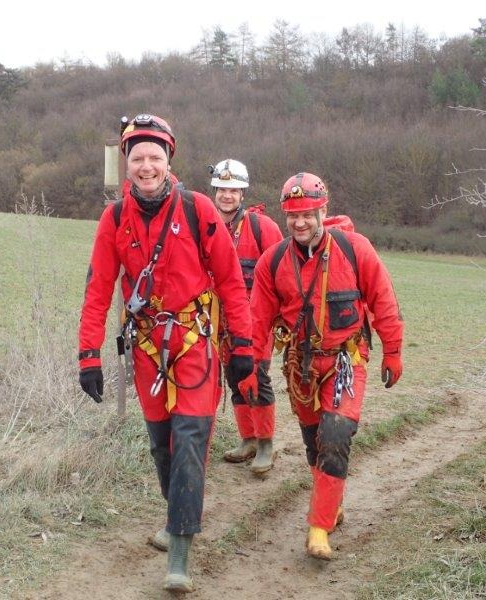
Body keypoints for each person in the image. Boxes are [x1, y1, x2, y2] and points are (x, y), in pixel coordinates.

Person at [77, 115, 255, 593]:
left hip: (195, 345)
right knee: (162, 445)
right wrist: (88, 354)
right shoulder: (114, 219)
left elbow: (232, 283)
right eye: (138, 158)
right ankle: (177, 514)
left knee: (190, 443)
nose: (147, 166)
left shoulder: (199, 210)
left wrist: (242, 345)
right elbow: (98, 288)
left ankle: (179, 551)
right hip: (147, 351)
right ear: (127, 163)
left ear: (168, 159)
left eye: (155, 157)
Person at [239, 172, 404, 560]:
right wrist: (250, 367)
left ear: (322, 211)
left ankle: (318, 529)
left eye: (309, 214)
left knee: (335, 436)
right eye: (293, 215)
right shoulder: (273, 261)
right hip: (300, 369)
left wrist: (393, 351)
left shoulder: (355, 249)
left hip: (347, 361)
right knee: (316, 446)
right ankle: (333, 505)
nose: (300, 222)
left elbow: (383, 301)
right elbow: (257, 321)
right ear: (285, 216)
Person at [209, 159, 283, 475]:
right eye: (222, 189)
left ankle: (266, 445)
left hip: (256, 321)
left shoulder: (262, 228)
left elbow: (283, 272)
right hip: (218, 321)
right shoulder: (205, 223)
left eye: (233, 190)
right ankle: (248, 439)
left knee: (257, 378)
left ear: (243, 193)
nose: (227, 195)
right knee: (235, 379)